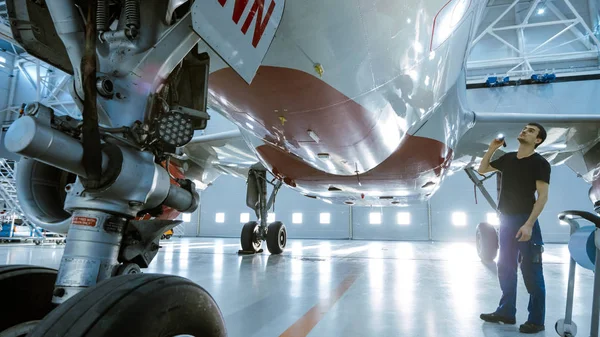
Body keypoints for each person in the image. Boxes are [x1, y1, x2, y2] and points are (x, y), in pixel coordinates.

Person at [477, 123, 551, 334]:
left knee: (531, 271)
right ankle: (506, 312)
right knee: (505, 267)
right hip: (506, 220)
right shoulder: (508, 158)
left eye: (531, 131)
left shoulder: (540, 163)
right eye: (525, 128)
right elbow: (483, 169)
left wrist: (528, 224)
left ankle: (536, 320)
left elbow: (543, 197)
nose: (524, 131)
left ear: (537, 140)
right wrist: (492, 148)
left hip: (525, 221)